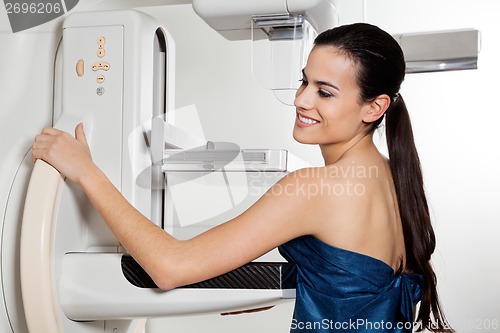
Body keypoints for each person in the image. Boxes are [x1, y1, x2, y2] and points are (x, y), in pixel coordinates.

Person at [32, 23, 452, 332]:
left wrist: (86, 171)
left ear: (374, 108)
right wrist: (253, 289)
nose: (301, 99)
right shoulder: (396, 180)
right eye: (303, 81)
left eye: (325, 92)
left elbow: (169, 267)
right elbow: (354, 285)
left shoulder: (313, 189)